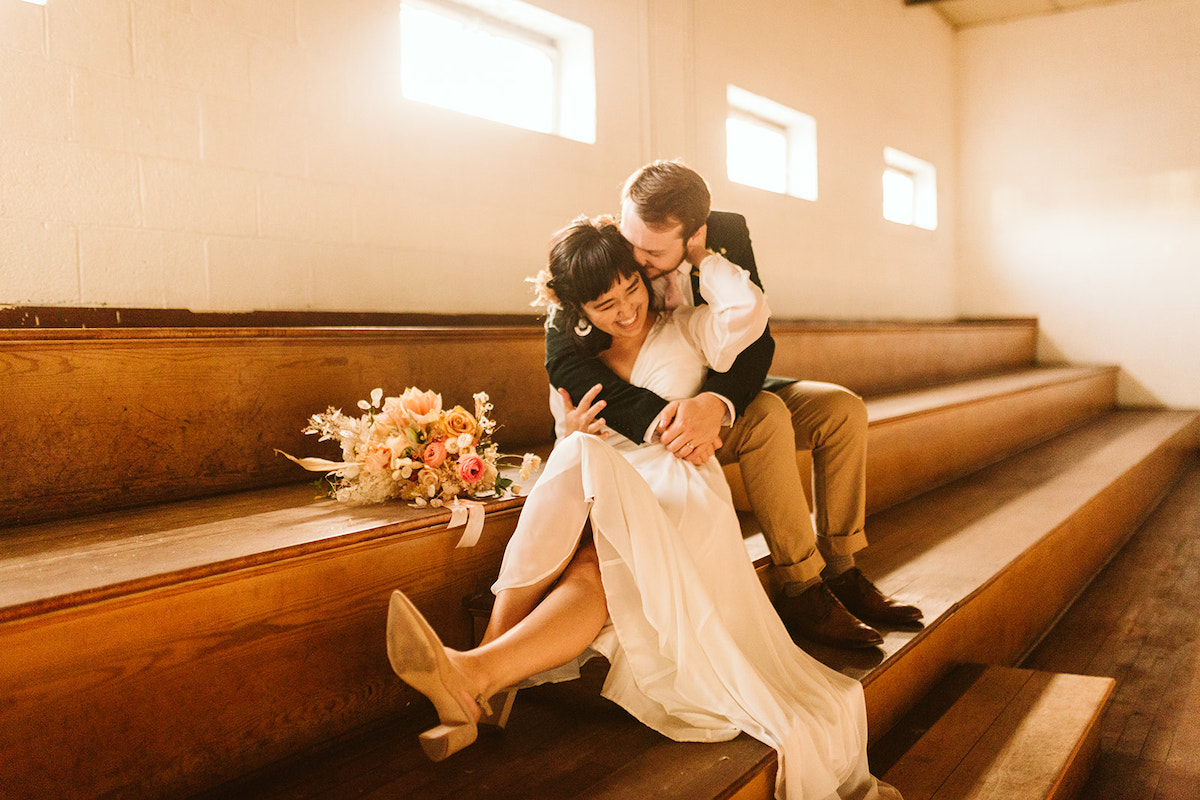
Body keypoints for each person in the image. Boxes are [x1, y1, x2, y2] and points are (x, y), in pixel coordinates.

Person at [386, 216, 901, 800]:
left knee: (587, 494)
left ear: (642, 274)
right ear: (581, 311)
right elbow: (569, 431)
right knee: (585, 514)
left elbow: (748, 318)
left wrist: (704, 257)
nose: (627, 309)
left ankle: (479, 673)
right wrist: (569, 429)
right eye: (606, 305)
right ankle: (478, 678)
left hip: (679, 487)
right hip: (607, 480)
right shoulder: (578, 354)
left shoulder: (690, 326)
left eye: (632, 289)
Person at [544, 160, 920, 649]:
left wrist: (717, 402)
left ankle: (843, 569)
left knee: (843, 409)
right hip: (659, 404)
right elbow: (566, 363)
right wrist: (669, 416)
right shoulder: (612, 247)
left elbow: (757, 340)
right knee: (766, 416)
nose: (635, 256)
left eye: (653, 251)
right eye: (630, 238)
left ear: (694, 235)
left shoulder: (726, 234)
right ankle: (801, 585)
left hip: (717, 377)